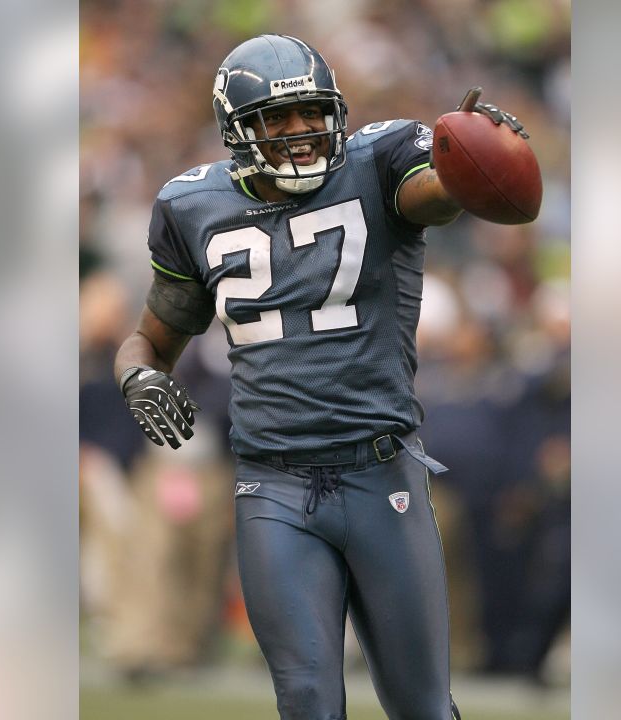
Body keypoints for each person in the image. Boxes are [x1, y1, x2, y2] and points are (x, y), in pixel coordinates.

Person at [113, 34, 533, 720]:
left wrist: (471, 162)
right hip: (272, 485)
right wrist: (138, 378)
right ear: (237, 129)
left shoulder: (379, 161)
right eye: (277, 119)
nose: (301, 131)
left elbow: (437, 193)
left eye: (311, 112)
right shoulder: (191, 207)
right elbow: (148, 340)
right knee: (307, 698)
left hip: (380, 473)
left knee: (421, 706)